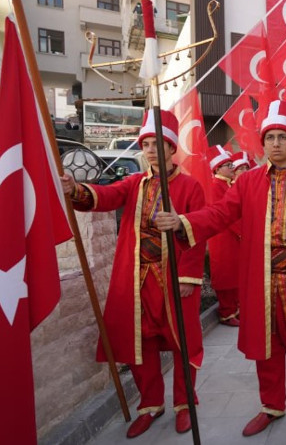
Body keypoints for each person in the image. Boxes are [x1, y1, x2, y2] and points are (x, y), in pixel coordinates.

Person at [154, 100, 286, 438]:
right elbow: (219, 214)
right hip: (262, 280)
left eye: (282, 136)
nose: (275, 143)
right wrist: (183, 221)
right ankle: (272, 405)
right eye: (269, 137)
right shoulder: (247, 182)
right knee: (267, 350)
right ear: (263, 142)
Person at [60, 110, 206, 438]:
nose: (152, 149)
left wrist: (188, 277)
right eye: (147, 144)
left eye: (159, 144)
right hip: (138, 280)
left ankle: (185, 404)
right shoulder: (135, 183)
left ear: (172, 149)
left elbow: (198, 234)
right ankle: (150, 404)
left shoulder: (190, 186)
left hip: (173, 281)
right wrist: (75, 190)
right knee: (142, 344)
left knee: (184, 343)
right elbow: (105, 197)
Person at [207, 145, 241, 327]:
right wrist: (242, 231)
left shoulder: (227, 185)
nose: (231, 168)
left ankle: (235, 309)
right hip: (223, 238)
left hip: (233, 237)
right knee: (226, 275)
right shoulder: (215, 186)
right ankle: (226, 312)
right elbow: (225, 213)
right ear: (217, 168)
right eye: (228, 165)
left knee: (235, 274)